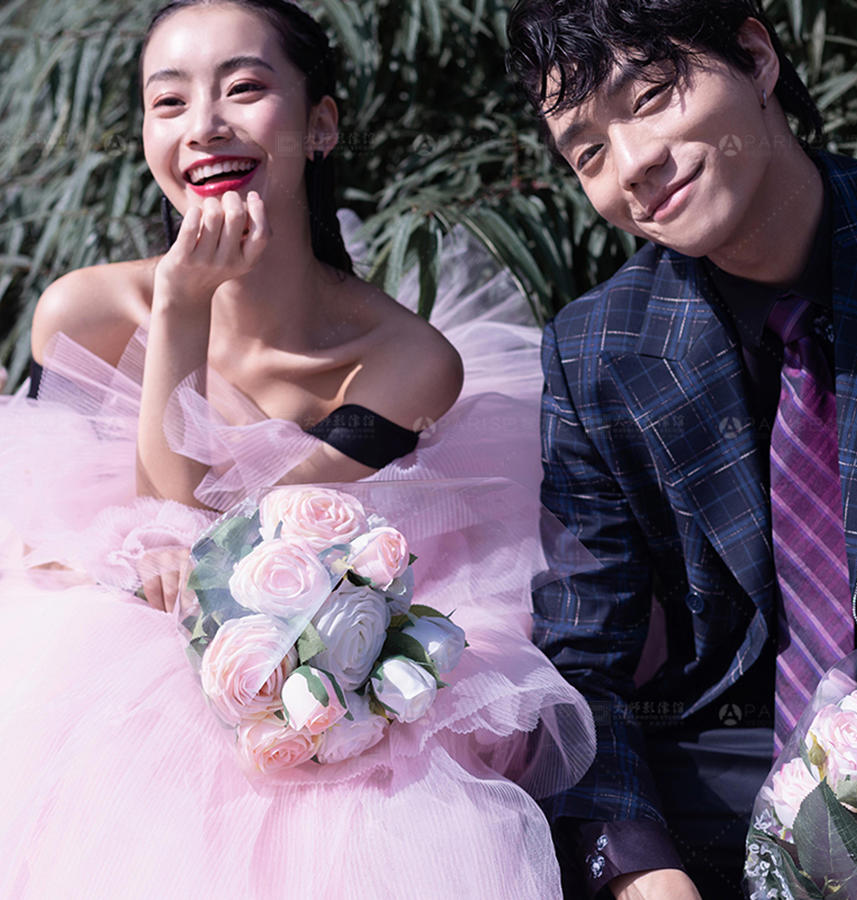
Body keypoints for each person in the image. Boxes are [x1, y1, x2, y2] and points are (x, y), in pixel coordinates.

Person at [0, 1, 596, 896]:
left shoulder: (404, 362)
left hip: (289, 657)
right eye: (169, 102)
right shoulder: (82, 314)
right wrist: (176, 310)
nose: (204, 125)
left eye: (243, 88)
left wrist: (183, 307)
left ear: (321, 125)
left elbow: (210, 544)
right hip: (108, 660)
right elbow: (113, 526)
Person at [505, 1, 857, 897]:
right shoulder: (598, 352)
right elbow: (582, 666)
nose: (632, 164)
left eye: (650, 96)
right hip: (739, 788)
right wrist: (641, 871)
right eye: (587, 153)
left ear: (755, 57)